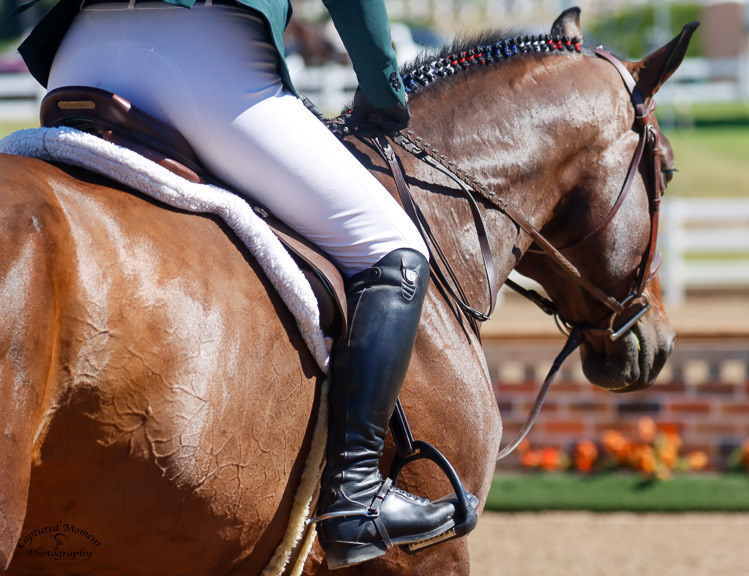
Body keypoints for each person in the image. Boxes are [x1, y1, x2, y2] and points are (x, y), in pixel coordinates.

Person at [19, 0, 469, 569]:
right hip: (201, 60)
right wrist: (383, 96)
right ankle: (356, 495)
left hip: (79, 58)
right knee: (392, 249)